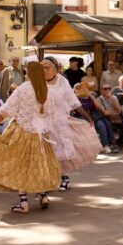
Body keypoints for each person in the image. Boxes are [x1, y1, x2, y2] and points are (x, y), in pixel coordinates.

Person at [0, 62, 62, 214]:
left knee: (20, 166)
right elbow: (53, 115)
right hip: (41, 135)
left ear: (28, 73)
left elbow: (4, 113)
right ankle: (43, 196)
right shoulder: (48, 90)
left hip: (21, 132)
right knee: (39, 165)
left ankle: (23, 203)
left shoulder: (22, 89)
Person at [40, 57, 100, 191]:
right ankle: (49, 179)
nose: (45, 70)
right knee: (46, 151)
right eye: (42, 67)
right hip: (43, 122)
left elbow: (74, 101)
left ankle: (64, 177)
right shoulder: (37, 81)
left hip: (60, 121)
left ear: (55, 68)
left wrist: (88, 118)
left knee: (61, 151)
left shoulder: (62, 81)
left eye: (48, 67)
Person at [75, 82, 116, 153]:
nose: (84, 89)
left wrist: (92, 97)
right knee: (85, 124)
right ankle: (88, 148)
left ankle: (105, 146)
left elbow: (98, 107)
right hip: (81, 117)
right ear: (79, 90)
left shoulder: (91, 97)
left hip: (93, 117)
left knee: (101, 125)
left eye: (85, 88)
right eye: (82, 88)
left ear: (88, 89)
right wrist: (76, 97)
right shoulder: (77, 98)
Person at [98, 83, 123, 147]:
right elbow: (105, 113)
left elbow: (119, 110)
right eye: (105, 89)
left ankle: (118, 142)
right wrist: (114, 111)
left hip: (116, 118)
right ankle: (112, 143)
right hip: (107, 119)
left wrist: (111, 98)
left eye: (109, 88)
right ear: (101, 90)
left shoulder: (114, 97)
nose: (107, 90)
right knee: (108, 124)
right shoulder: (99, 99)